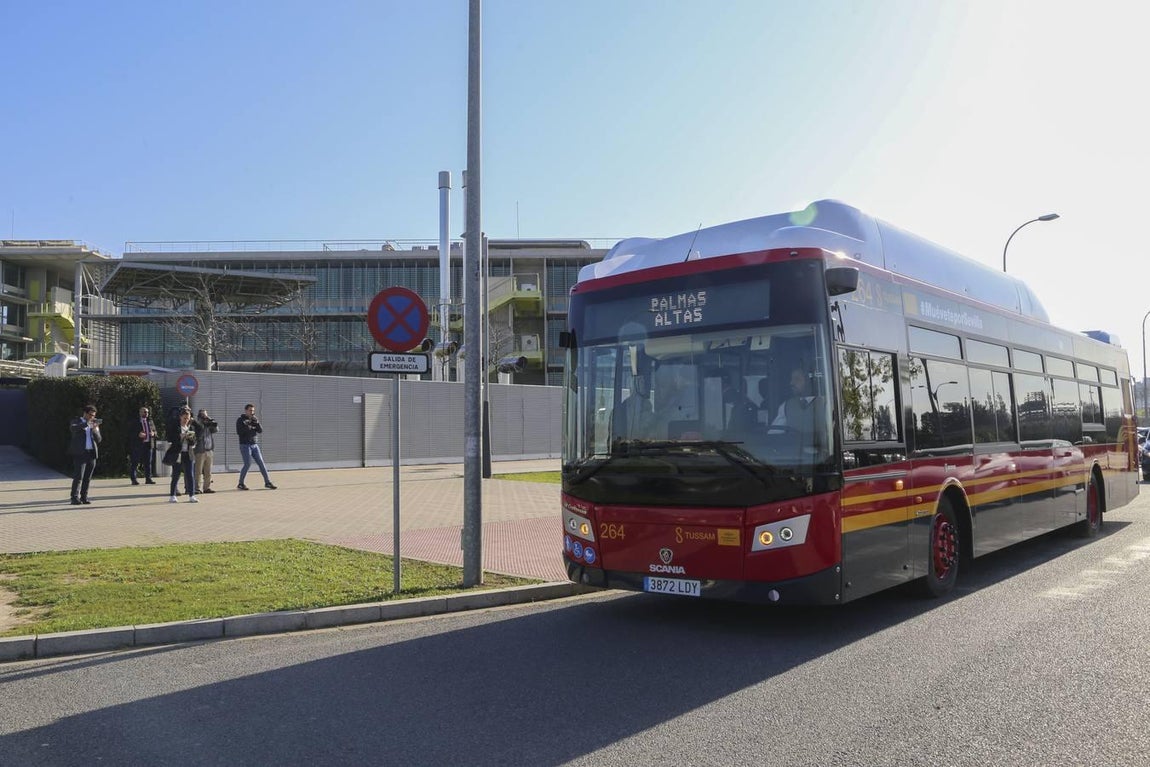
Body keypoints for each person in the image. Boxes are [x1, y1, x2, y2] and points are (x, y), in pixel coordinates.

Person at [236, 403, 277, 490]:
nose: (252, 412)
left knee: (261, 463)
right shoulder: (240, 420)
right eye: (250, 410)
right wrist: (248, 425)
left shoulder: (254, 419)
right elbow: (240, 432)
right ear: (246, 410)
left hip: (254, 445)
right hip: (245, 445)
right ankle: (241, 483)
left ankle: (267, 482)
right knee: (247, 464)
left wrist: (256, 422)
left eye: (253, 411)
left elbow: (260, 430)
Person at [68, 404, 102, 505]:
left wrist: (94, 430)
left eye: (94, 415)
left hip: (91, 453)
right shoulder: (76, 421)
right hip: (80, 453)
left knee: (88, 477)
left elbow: (99, 439)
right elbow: (73, 429)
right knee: (78, 476)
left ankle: (84, 497)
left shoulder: (94, 425)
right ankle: (74, 497)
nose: (92, 417)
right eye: (91, 415)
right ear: (85, 413)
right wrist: (86, 424)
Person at [167, 406, 201, 503]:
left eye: (188, 418)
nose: (186, 420)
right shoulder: (175, 427)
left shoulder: (191, 427)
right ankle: (172, 495)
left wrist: (192, 441)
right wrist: (180, 437)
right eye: (184, 418)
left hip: (188, 453)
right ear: (180, 417)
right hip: (178, 453)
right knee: (176, 474)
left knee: (190, 475)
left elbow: (195, 440)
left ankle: (191, 495)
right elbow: (170, 438)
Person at [611, 376, 654, 445]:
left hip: (644, 451)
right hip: (623, 453)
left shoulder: (647, 406)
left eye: (642, 383)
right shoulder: (618, 412)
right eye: (638, 383)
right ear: (630, 386)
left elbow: (651, 431)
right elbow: (612, 440)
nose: (641, 386)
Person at [127, 405, 157, 485]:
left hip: (148, 444)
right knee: (135, 462)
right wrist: (138, 434)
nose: (146, 413)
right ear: (140, 413)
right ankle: (134, 479)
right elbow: (130, 433)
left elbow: (155, 431)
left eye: (147, 412)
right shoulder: (135, 421)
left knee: (148, 463)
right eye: (144, 412)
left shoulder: (150, 421)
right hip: (138, 445)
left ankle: (148, 478)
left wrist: (153, 433)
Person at [193, 409, 219, 493]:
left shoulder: (209, 424)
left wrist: (211, 421)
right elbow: (198, 434)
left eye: (206, 415)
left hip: (209, 450)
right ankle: (196, 488)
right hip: (200, 451)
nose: (205, 417)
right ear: (200, 416)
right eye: (203, 415)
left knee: (208, 471)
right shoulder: (197, 424)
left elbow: (216, 430)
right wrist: (203, 424)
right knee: (198, 471)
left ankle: (206, 487)